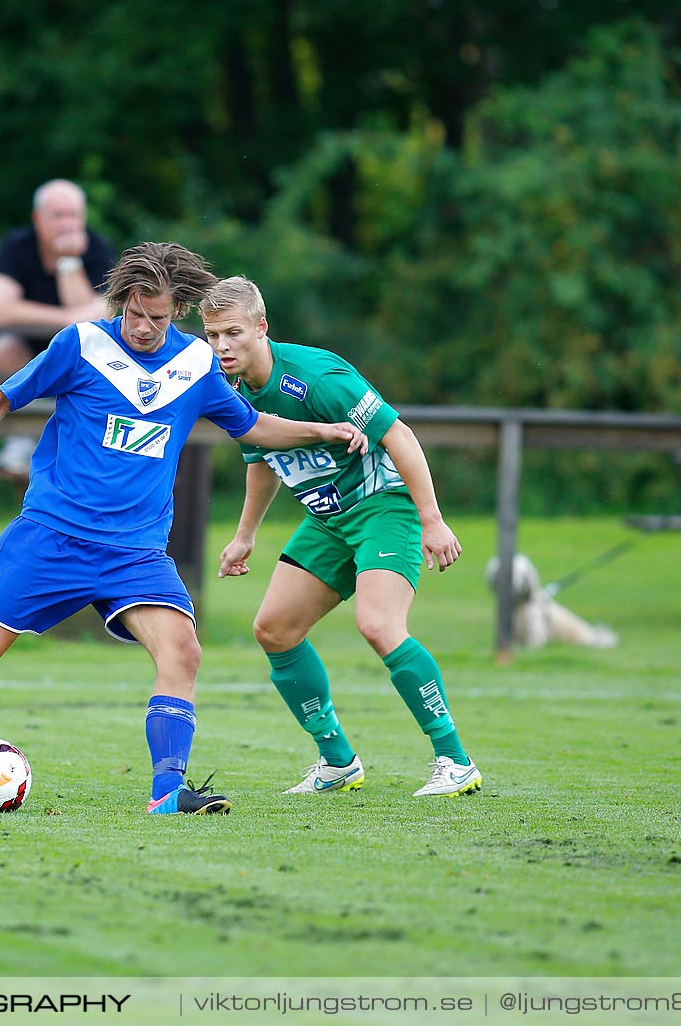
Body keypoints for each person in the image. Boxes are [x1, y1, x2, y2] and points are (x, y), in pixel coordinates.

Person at [0, 243, 370, 816]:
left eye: (159, 317)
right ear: (121, 301)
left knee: (182, 650)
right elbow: (2, 398)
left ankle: (168, 792)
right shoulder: (81, 345)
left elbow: (253, 428)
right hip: (52, 535)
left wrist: (321, 431)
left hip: (136, 552)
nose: (146, 327)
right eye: (136, 314)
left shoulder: (197, 366)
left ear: (176, 312)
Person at [201, 277, 482, 799]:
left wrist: (432, 519)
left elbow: (397, 433)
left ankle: (455, 760)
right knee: (274, 630)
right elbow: (261, 458)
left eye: (232, 333)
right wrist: (245, 536)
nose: (221, 346)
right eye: (212, 334)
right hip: (328, 520)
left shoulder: (315, 376)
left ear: (262, 328)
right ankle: (337, 762)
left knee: (378, 624)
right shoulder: (231, 389)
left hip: (382, 507)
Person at [0, 179, 117, 473]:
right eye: (58, 216)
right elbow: (1, 310)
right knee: (3, 347)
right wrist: (67, 318)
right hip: (26, 351)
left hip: (81, 355)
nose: (67, 224)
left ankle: (80, 442)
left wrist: (68, 262)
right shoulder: (17, 246)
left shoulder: (98, 247)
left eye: (73, 215)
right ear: (38, 219)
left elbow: (99, 319)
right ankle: (21, 436)